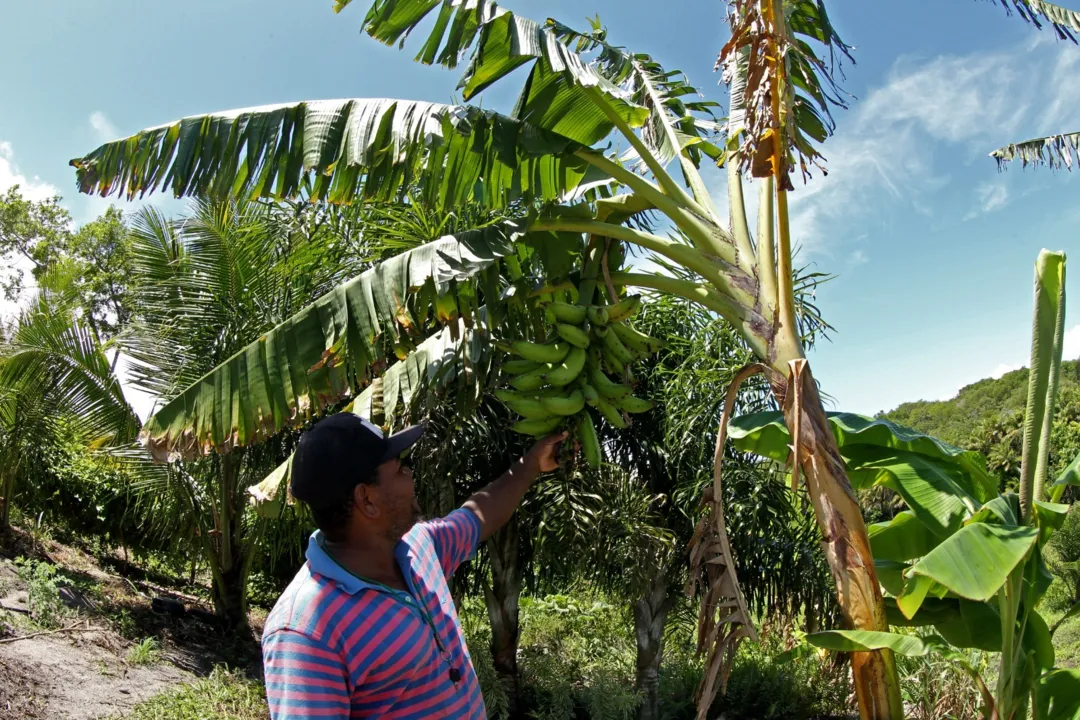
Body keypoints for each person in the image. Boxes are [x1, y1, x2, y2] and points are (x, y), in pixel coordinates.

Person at [261, 412, 566, 719]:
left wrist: (533, 463)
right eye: (399, 469)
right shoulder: (305, 630)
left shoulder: (417, 547)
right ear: (366, 499)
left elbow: (478, 515)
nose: (411, 474)